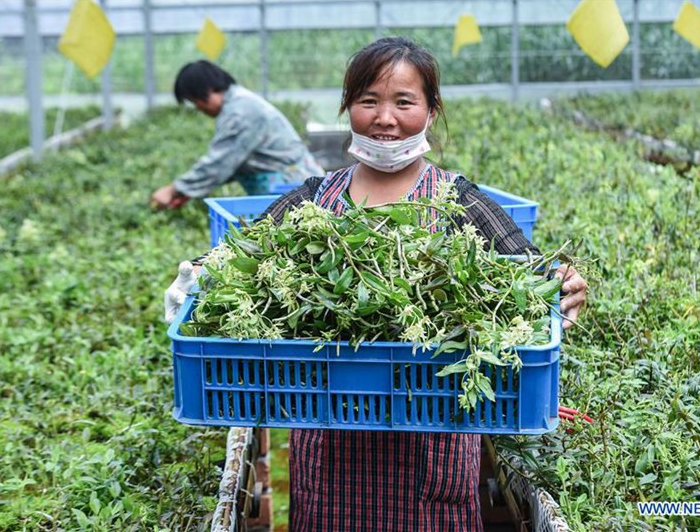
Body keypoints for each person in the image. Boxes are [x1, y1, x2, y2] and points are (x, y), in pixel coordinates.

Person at [165, 38, 587, 530]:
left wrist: (562, 281)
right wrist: (196, 275)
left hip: (432, 445)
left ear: (431, 111)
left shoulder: (456, 199)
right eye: (368, 101)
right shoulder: (317, 199)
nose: (385, 118)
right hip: (330, 443)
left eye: (404, 102)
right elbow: (244, 250)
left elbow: (528, 265)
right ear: (349, 107)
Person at [151, 60, 323, 209]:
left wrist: (173, 189)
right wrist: (189, 191)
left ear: (205, 91)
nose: (198, 108)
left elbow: (220, 163)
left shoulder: (240, 113)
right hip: (287, 186)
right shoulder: (237, 104)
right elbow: (232, 164)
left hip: (295, 187)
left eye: (194, 101)